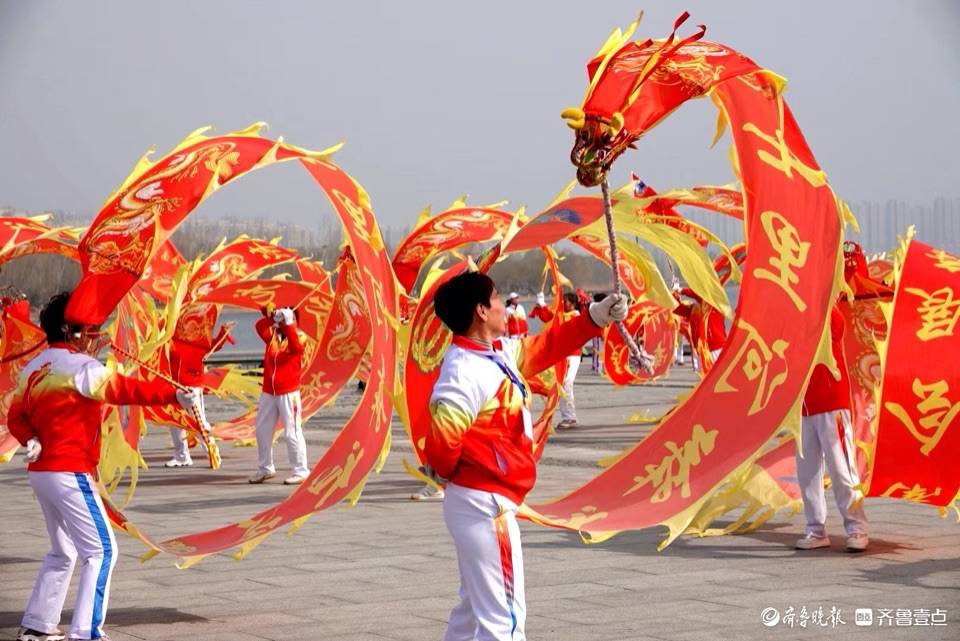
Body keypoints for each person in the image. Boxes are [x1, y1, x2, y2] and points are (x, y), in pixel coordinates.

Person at [424, 271, 626, 641]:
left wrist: (595, 318)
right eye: (497, 297)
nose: (504, 305)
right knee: (505, 620)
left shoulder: (497, 354)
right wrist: (464, 475)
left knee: (473, 613)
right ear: (481, 311)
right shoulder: (463, 372)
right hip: (484, 505)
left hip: (482, 500)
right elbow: (441, 446)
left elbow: (546, 347)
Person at [6, 292, 201, 641]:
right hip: (69, 471)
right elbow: (125, 389)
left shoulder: (35, 367)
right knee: (102, 550)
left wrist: (30, 439)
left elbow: (15, 414)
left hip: (42, 473)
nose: (94, 334)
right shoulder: (82, 368)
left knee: (63, 551)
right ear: (72, 329)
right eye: (89, 328)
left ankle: (37, 625)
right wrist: (174, 396)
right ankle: (87, 631)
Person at [795, 246, 870, 552]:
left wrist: (845, 255)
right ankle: (816, 530)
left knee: (841, 469)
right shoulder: (795, 313)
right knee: (807, 473)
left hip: (832, 403)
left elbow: (857, 274)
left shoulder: (833, 308)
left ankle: (857, 528)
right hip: (802, 406)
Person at [249, 304, 310, 485]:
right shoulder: (273, 336)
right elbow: (259, 327)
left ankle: (301, 469)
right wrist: (271, 318)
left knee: (292, 431)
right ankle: (265, 467)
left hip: (288, 392)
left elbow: (296, 349)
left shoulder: (299, 336)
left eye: (284, 315)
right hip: (269, 391)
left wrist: (289, 323)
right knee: (262, 430)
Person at [164, 317, 235, 468]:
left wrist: (224, 331)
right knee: (175, 421)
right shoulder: (171, 340)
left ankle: (211, 449)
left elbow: (213, 346)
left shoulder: (198, 341)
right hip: (174, 386)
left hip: (192, 386)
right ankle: (181, 456)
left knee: (199, 422)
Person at [529, 291, 585, 429]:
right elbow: (549, 318)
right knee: (561, 384)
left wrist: (546, 307)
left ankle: (570, 417)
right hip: (562, 355)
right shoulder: (563, 315)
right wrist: (541, 305)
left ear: (572, 304)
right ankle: (568, 416)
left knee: (567, 383)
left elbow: (560, 321)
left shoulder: (575, 316)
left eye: (565, 301)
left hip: (573, 355)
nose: (562, 304)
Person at [672, 288, 726, 370]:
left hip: (716, 347)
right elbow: (677, 308)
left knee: (719, 376)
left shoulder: (714, 305)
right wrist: (674, 294)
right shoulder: (695, 308)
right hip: (702, 350)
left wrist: (682, 290)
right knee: (707, 378)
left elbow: (699, 295)